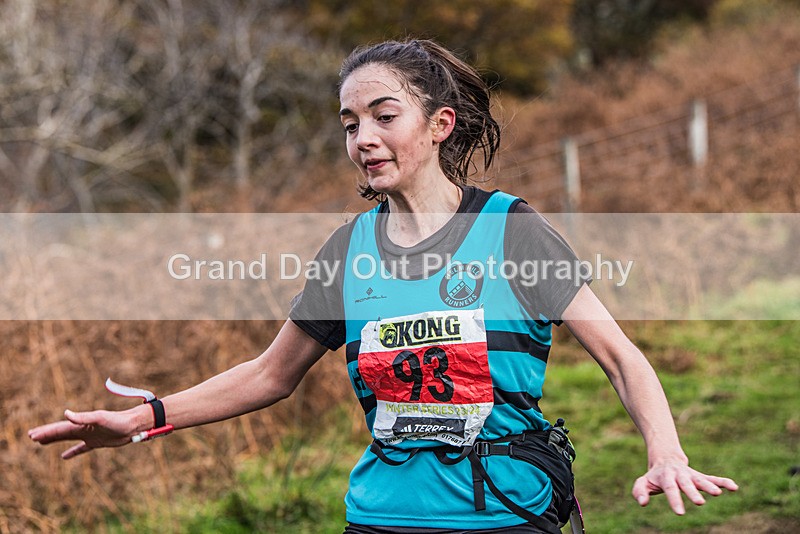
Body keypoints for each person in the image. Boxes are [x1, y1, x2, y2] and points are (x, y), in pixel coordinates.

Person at [28, 39, 738, 533]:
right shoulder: (347, 252)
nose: (362, 137)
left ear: (439, 126)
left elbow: (619, 356)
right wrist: (147, 417)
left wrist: (665, 451)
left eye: (382, 116)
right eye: (349, 123)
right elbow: (271, 375)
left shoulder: (511, 231)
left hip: (506, 516)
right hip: (381, 517)